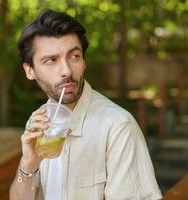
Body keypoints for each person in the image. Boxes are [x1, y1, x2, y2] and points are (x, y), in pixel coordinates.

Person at [10, 9, 162, 200]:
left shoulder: (118, 126)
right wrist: (28, 165)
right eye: (51, 60)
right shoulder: (39, 121)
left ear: (84, 61)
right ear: (30, 70)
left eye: (74, 56)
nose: (66, 71)